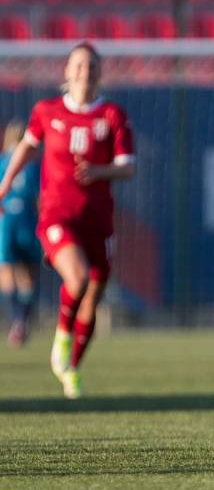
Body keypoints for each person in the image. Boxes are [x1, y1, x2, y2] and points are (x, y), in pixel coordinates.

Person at [0, 42, 134, 398]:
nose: (84, 71)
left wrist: (99, 171)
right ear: (66, 71)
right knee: (75, 278)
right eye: (78, 64)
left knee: (93, 294)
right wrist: (5, 184)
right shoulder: (47, 111)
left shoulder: (111, 116)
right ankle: (61, 338)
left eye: (91, 65)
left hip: (98, 222)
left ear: (99, 73)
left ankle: (71, 366)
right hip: (57, 215)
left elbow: (128, 167)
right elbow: (27, 146)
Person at [0, 119, 41, 347]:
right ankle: (21, 323)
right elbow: (39, 199)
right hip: (28, 222)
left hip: (5, 222)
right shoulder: (32, 165)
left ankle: (16, 321)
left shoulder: (2, 162)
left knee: (7, 274)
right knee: (27, 276)